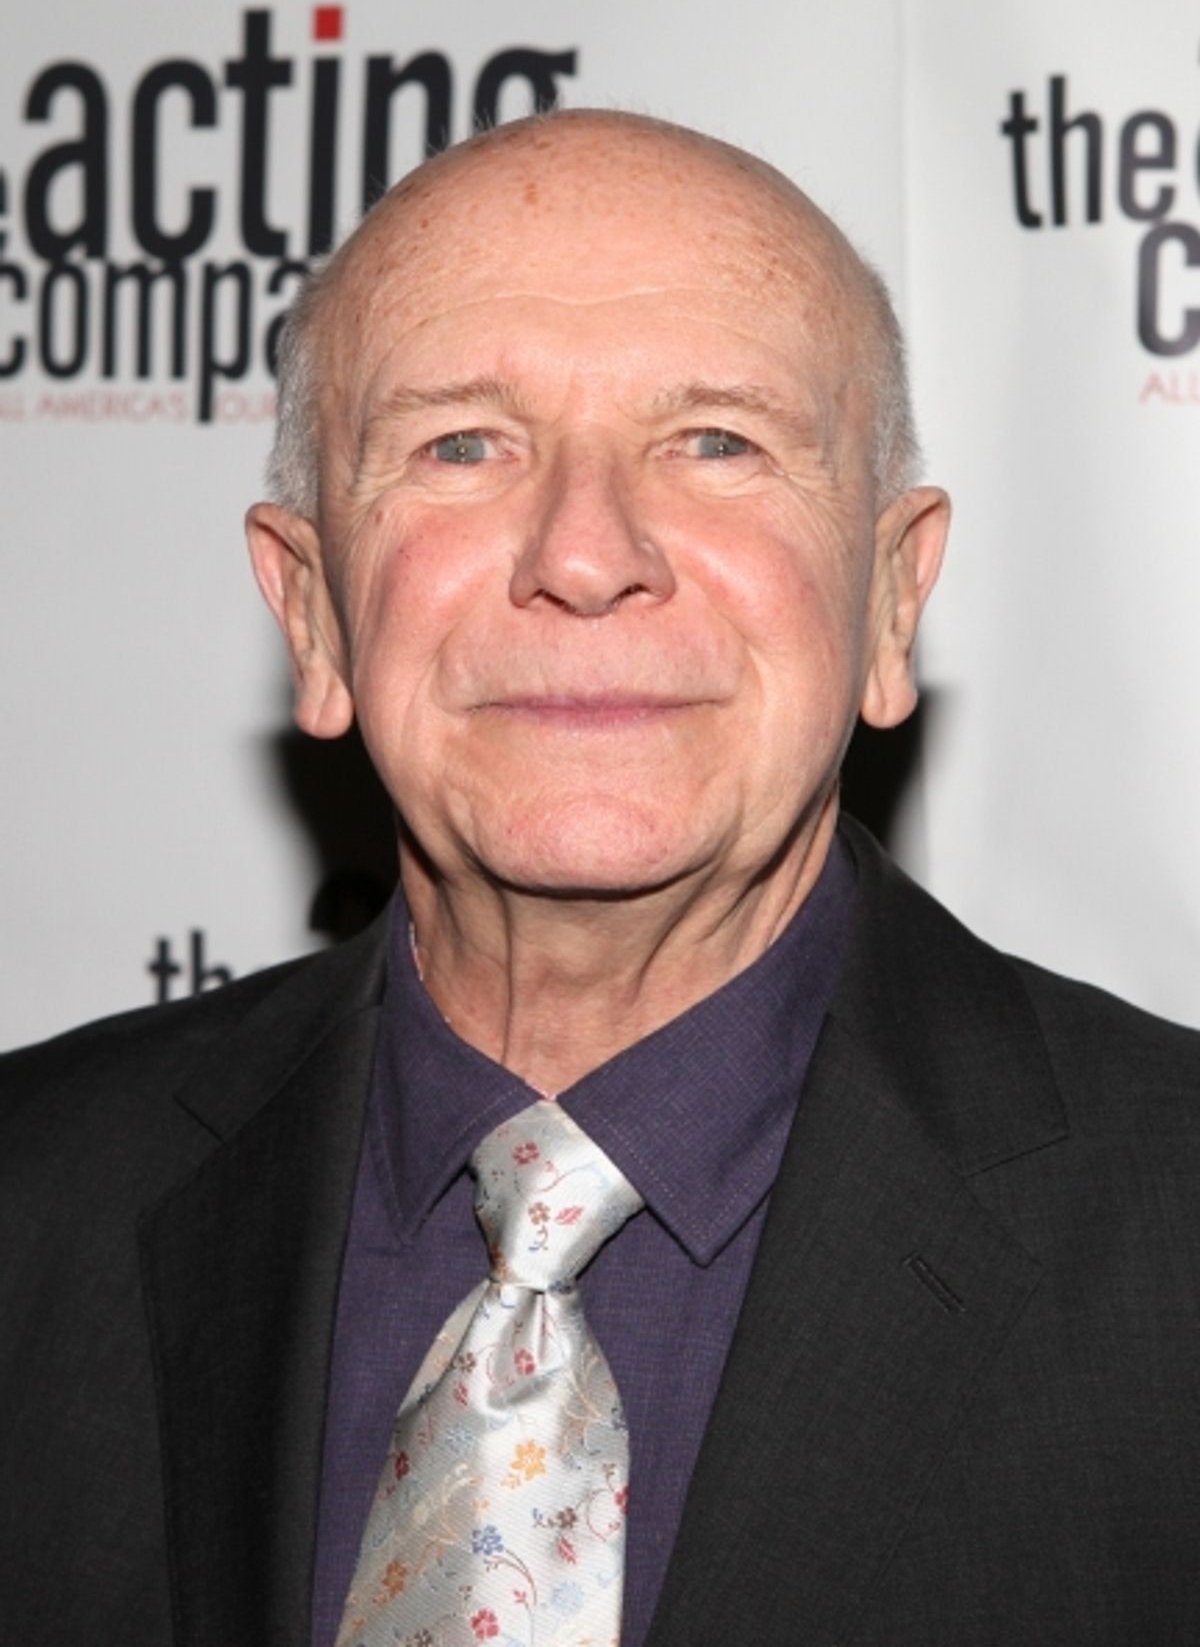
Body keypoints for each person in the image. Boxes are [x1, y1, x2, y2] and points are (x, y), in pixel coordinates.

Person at [1, 109, 1197, 1647]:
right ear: (310, 617)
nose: (584, 550)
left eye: (716, 440)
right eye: (462, 444)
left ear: (893, 601)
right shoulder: (33, 1211)